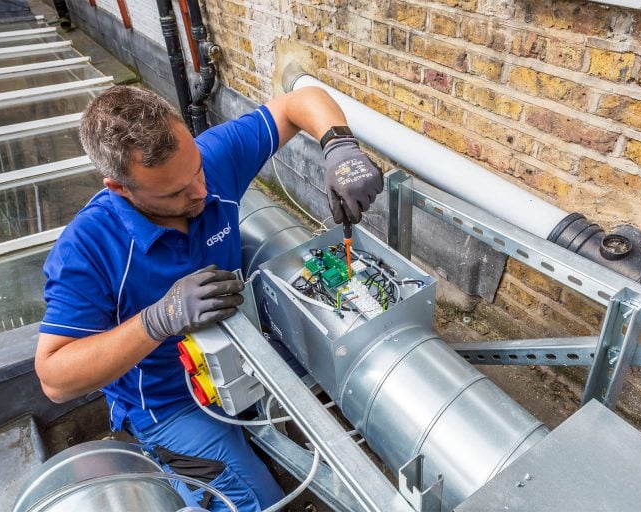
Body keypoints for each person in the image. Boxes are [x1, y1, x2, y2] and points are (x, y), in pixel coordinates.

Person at [34, 84, 383, 511]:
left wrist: (340, 148)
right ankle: (177, 463)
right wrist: (158, 320)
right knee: (259, 504)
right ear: (120, 188)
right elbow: (54, 377)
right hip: (173, 404)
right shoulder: (88, 248)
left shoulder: (211, 162)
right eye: (174, 193)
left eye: (196, 171)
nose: (200, 192)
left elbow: (298, 102)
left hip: (247, 357)